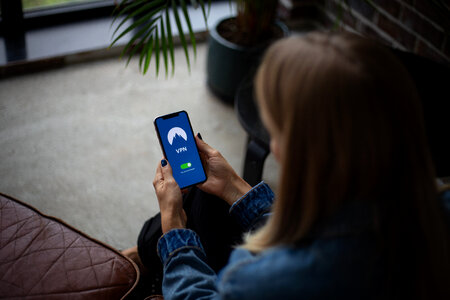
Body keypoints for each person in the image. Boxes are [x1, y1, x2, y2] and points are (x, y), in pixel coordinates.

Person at [124, 32, 450, 299]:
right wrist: (237, 189)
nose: (274, 146)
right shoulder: (432, 212)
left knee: (182, 211)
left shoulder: (264, 280)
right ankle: (147, 251)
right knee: (207, 195)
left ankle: (148, 255)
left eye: (275, 129)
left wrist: (175, 235)